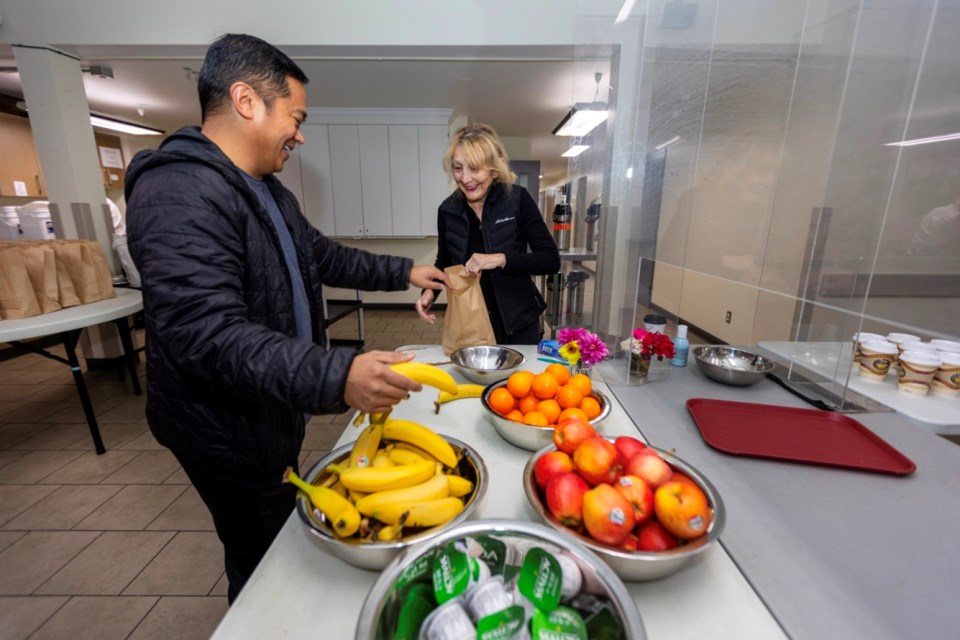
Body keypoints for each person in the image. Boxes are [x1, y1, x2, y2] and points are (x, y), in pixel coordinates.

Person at [124, 33, 449, 604]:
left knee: (280, 532)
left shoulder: (266, 191)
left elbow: (320, 256)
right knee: (268, 561)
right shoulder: (179, 191)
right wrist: (336, 375)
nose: (300, 132)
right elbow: (209, 336)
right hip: (222, 427)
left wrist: (405, 272)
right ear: (247, 100)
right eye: (295, 116)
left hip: (265, 410)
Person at [415, 123, 560, 344]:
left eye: (474, 168)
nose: (465, 178)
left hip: (518, 323)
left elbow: (550, 259)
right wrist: (429, 293)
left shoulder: (517, 200)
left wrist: (501, 258)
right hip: (471, 323)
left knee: (517, 380)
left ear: (493, 168)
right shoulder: (447, 210)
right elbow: (444, 261)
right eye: (457, 168)